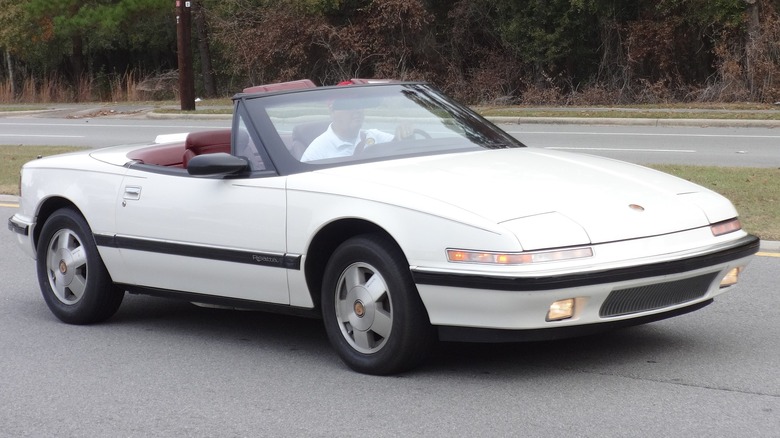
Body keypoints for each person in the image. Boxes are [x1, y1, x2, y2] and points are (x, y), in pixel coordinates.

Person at [300, 97, 412, 162]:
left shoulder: (374, 136)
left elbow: (402, 150)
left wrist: (405, 135)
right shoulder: (316, 152)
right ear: (332, 111)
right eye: (349, 105)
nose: (358, 110)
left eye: (360, 104)